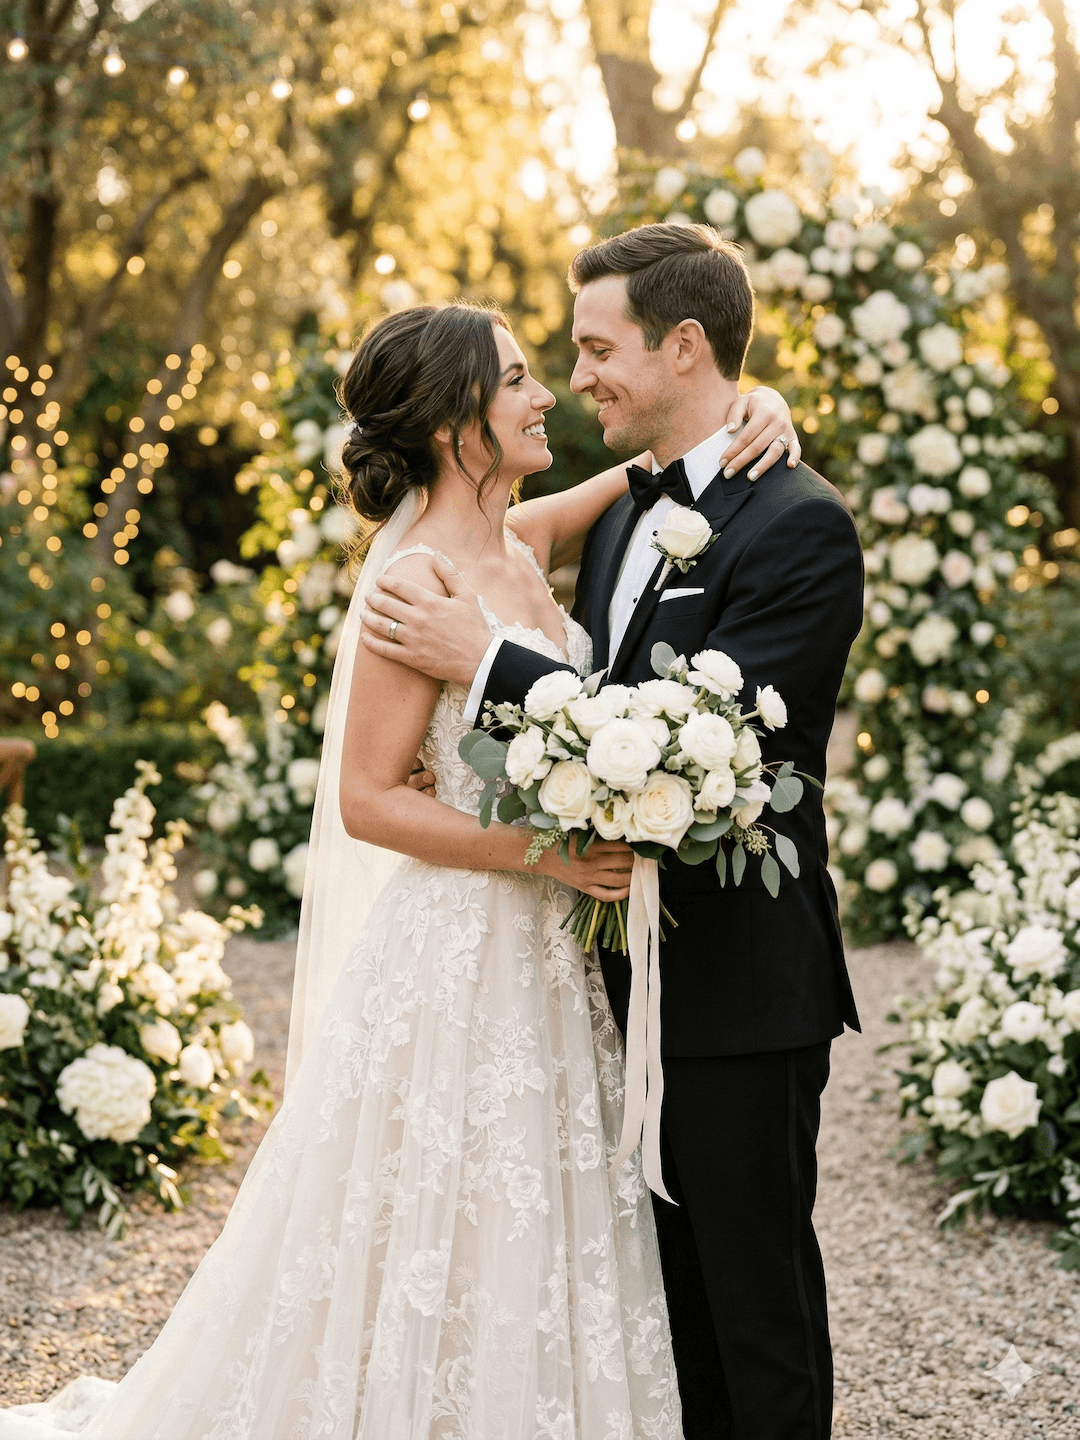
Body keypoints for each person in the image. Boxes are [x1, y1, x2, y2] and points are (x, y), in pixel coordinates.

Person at [0, 298, 797, 1440]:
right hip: (460, 947)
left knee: (534, 1213)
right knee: (424, 1217)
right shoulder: (413, 581)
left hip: (551, 956)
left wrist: (753, 407)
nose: (543, 396)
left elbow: (650, 478)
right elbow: (369, 799)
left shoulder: (521, 541)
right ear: (453, 426)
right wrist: (549, 854)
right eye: (517, 379)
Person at [360, 225, 865, 1440]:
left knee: (755, 1318)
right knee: (649, 1323)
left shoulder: (798, 526)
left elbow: (712, 757)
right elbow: (489, 572)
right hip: (590, 986)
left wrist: (486, 667)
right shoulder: (629, 507)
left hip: (735, 994)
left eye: (596, 348)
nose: (575, 380)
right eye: (552, 360)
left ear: (683, 346)